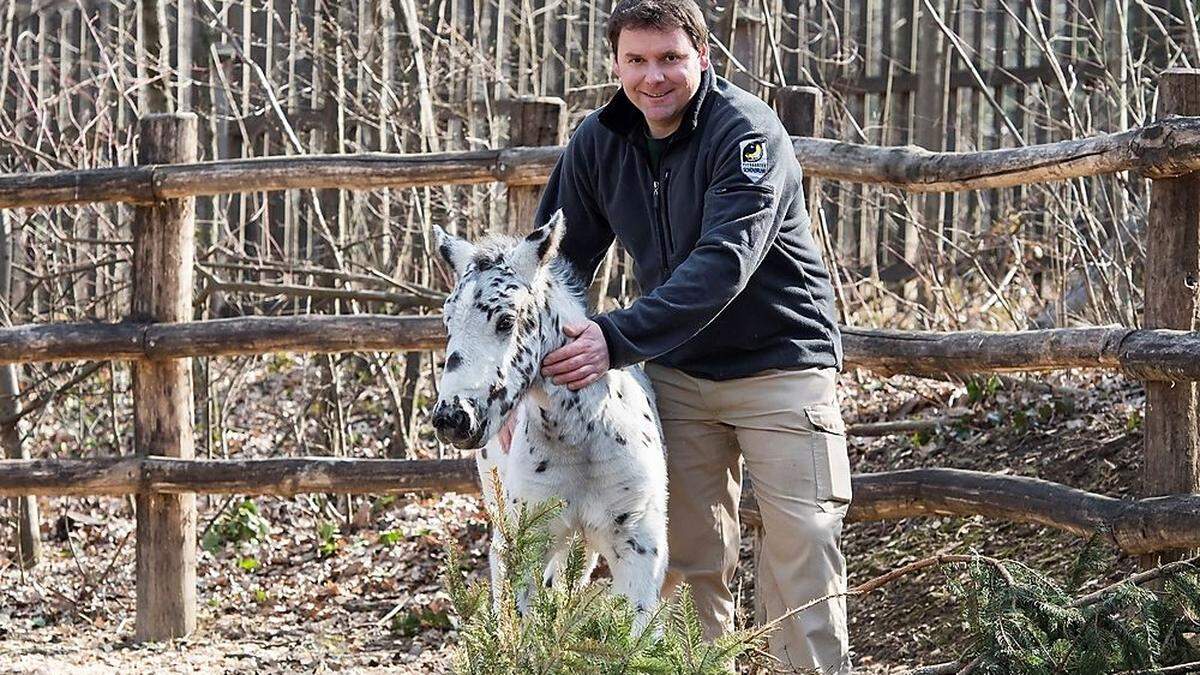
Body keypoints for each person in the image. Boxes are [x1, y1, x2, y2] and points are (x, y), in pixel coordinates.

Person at [512, 0, 851, 670]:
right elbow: (547, 268)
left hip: (780, 367)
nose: (653, 77)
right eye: (636, 60)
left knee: (801, 554)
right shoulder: (599, 142)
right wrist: (519, 374)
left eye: (670, 57)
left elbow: (722, 265)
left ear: (703, 54)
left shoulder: (748, 134)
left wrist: (613, 337)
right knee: (682, 560)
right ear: (615, 64)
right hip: (676, 375)